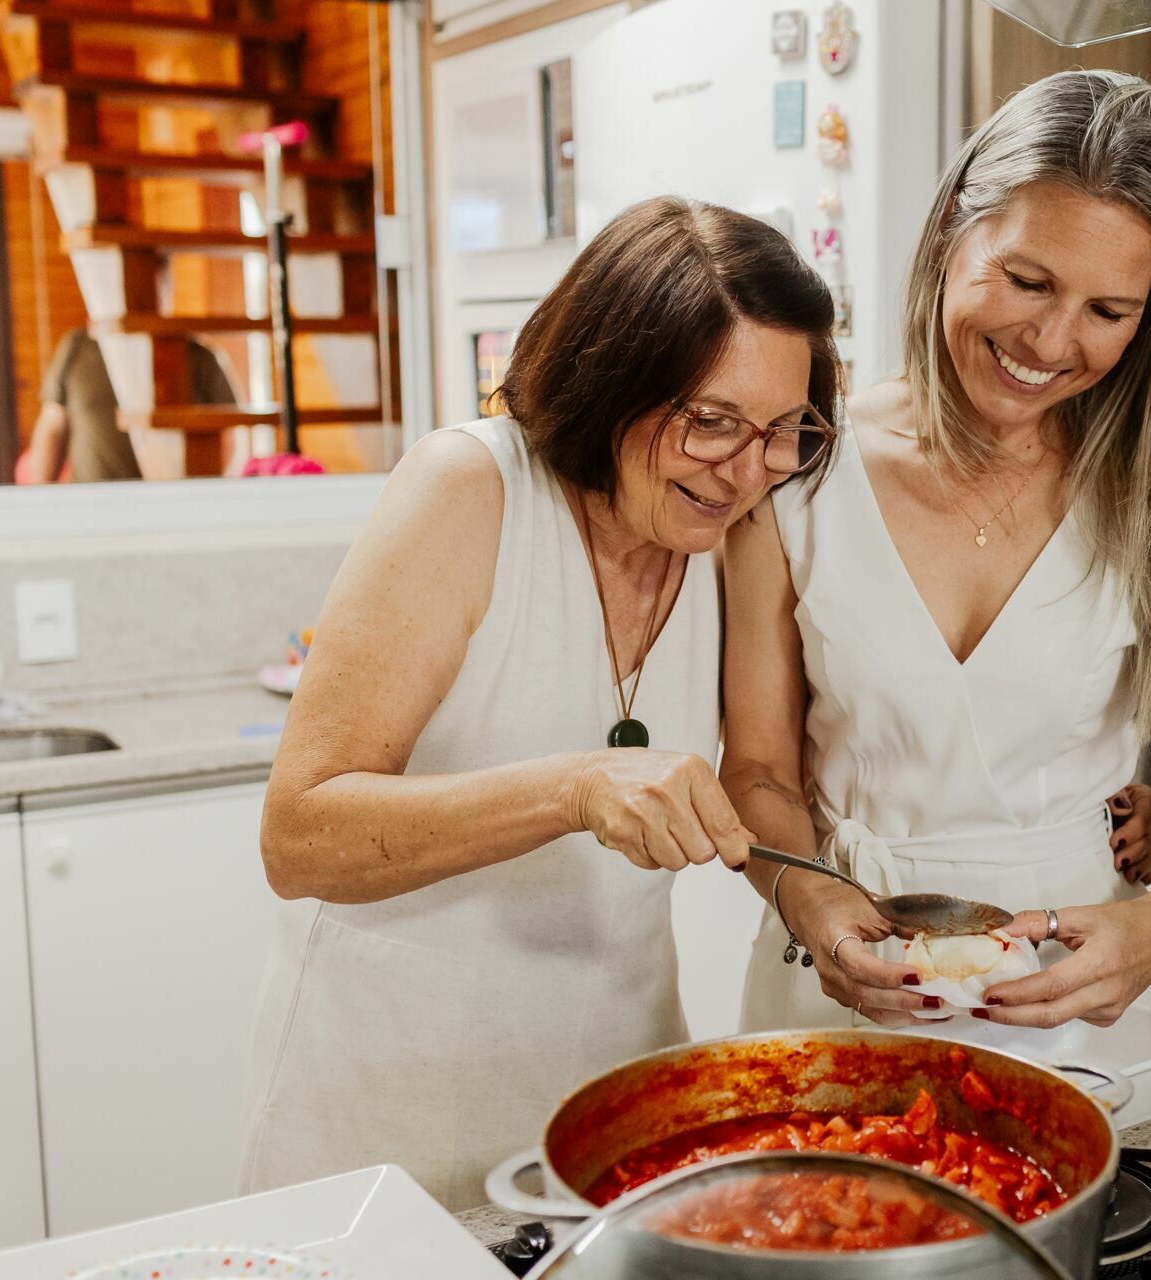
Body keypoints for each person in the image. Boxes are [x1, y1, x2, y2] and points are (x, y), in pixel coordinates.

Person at [239, 197, 840, 1208]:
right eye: (711, 422)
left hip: (614, 1118)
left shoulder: (731, 530)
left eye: (782, 430)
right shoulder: (470, 489)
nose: (747, 470)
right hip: (389, 1126)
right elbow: (299, 835)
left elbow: (763, 771)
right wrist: (574, 786)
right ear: (612, 381)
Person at [725, 70, 1151, 1032]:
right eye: (1025, 281)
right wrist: (817, 908)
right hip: (838, 987)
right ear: (947, 235)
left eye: (1110, 311)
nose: (1051, 340)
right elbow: (759, 773)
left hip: (1075, 1003)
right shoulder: (800, 470)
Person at [18, 328, 237, 483]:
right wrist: (43, 498)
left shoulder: (199, 355)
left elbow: (231, 434)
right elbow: (52, 426)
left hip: (170, 505)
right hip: (89, 506)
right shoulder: (77, 347)